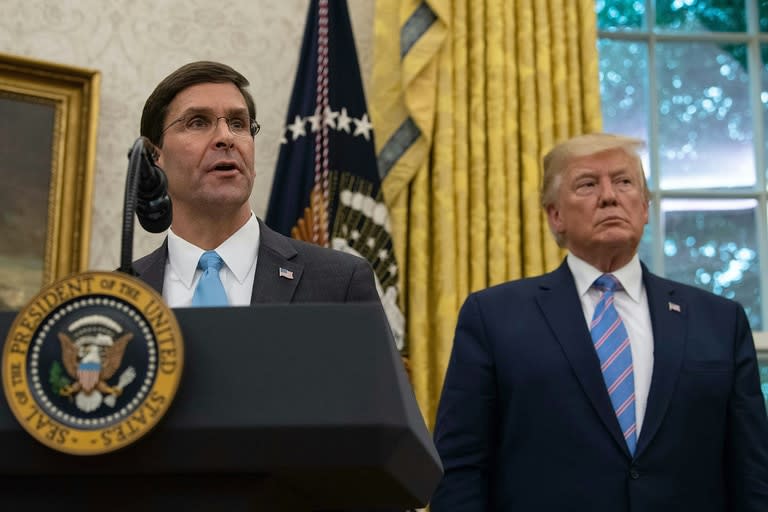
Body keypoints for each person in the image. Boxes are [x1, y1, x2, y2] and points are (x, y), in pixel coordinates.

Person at [430, 133, 768, 511]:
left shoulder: (720, 321)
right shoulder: (494, 317)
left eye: (624, 182)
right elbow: (460, 468)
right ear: (555, 215)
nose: (609, 196)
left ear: (644, 207)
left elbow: (752, 471)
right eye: (588, 184)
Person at [132, 61, 379, 305]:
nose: (226, 137)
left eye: (238, 123)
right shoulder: (119, 294)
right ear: (154, 156)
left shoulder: (340, 283)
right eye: (198, 122)